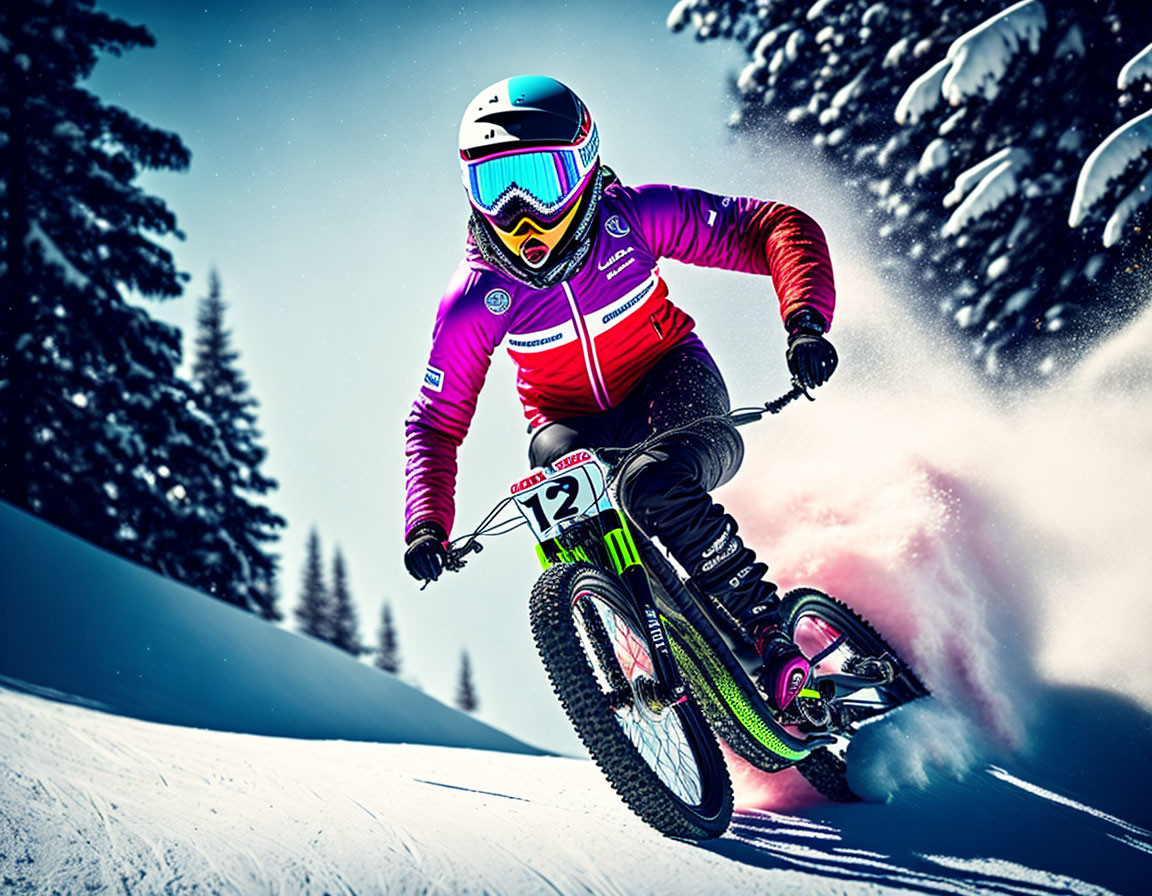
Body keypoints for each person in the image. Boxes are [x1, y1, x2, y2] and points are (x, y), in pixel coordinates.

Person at [403, 76, 837, 710]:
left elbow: (773, 227)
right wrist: (426, 523)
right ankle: (638, 644)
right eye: (496, 188)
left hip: (674, 384)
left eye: (540, 182)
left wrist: (804, 321)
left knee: (650, 482)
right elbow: (436, 423)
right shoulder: (474, 300)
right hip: (571, 424)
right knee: (553, 486)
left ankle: (766, 627)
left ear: (583, 168)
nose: (520, 213)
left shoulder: (631, 220)